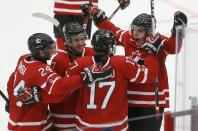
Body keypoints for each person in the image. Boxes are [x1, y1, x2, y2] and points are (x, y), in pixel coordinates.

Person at [81, 5, 188, 131]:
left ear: (148, 32)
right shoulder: (129, 38)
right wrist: (97, 16)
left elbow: (172, 47)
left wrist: (177, 32)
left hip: (151, 102)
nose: (135, 33)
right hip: (129, 99)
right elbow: (114, 31)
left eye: (140, 31)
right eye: (134, 29)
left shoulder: (158, 42)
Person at [6, 33, 113, 131]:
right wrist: (84, 78)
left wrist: (11, 99)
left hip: (16, 119)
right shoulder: (40, 70)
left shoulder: (23, 59)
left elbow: (11, 82)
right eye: (48, 49)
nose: (52, 50)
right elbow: (60, 88)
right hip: (33, 124)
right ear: (40, 52)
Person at [66, 29, 159, 130]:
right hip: (116, 125)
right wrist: (151, 52)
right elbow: (149, 75)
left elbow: (65, 90)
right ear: (111, 47)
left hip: (87, 125)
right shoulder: (123, 63)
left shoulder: (79, 63)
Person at [49, 22, 95, 130]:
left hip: (86, 113)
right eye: (76, 40)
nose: (80, 43)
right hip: (64, 114)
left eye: (82, 39)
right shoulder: (59, 60)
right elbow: (54, 89)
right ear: (67, 41)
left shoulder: (93, 53)